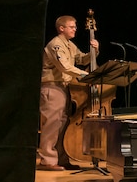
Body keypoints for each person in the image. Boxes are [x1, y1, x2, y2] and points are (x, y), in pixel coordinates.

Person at [38, 15, 99, 171]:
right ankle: (47, 161)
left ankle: (62, 158)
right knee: (52, 124)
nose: (75, 29)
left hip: (63, 87)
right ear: (62, 28)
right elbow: (65, 67)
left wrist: (94, 51)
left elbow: (82, 59)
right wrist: (87, 76)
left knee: (63, 124)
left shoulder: (69, 45)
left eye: (75, 26)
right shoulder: (55, 45)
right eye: (72, 27)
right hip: (52, 87)